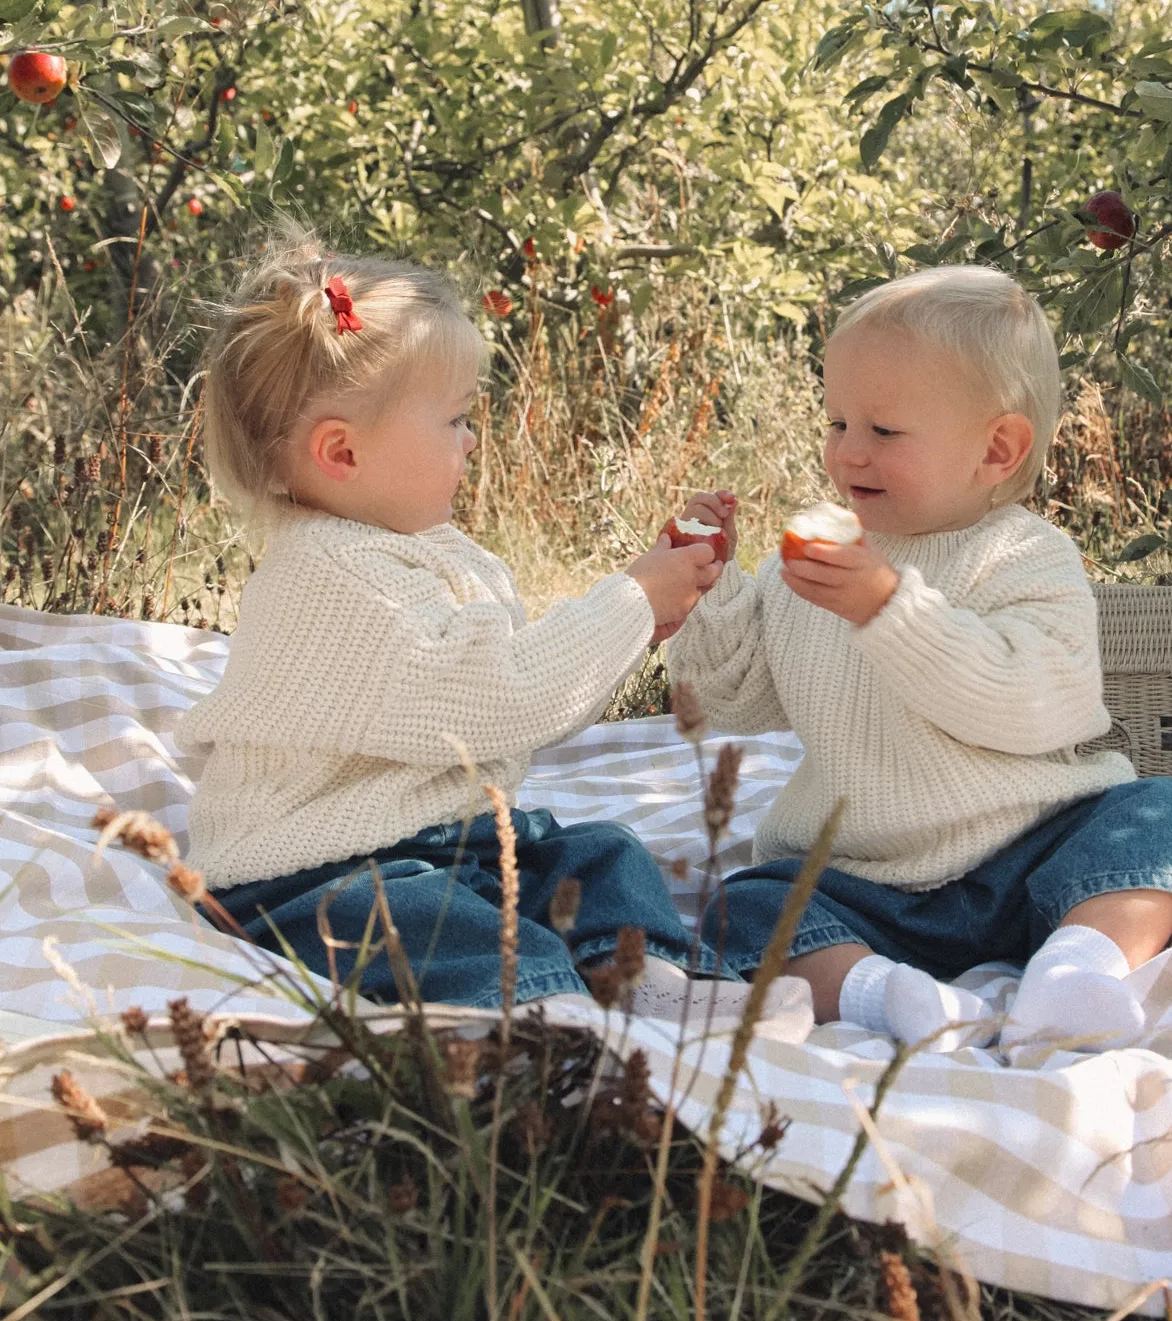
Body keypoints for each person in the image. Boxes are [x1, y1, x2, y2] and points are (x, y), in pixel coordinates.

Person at [178, 228, 812, 1035]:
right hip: (309, 872)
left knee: (598, 853)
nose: (471, 439)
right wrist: (627, 601)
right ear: (341, 452)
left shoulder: (424, 552)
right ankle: (541, 1024)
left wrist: (639, 620)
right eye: (452, 420)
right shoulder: (324, 579)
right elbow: (494, 697)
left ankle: (645, 976)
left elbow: (526, 701)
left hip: (447, 838)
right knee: (415, 915)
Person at [664, 264, 1172, 1060]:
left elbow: (1031, 703)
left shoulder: (1024, 555)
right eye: (836, 423)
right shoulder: (822, 563)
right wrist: (711, 591)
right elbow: (736, 701)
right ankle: (885, 993)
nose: (847, 452)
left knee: (1157, 820)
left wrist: (889, 610)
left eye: (883, 432)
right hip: (865, 877)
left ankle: (1076, 966)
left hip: (1034, 846)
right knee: (743, 908)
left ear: (996, 449)